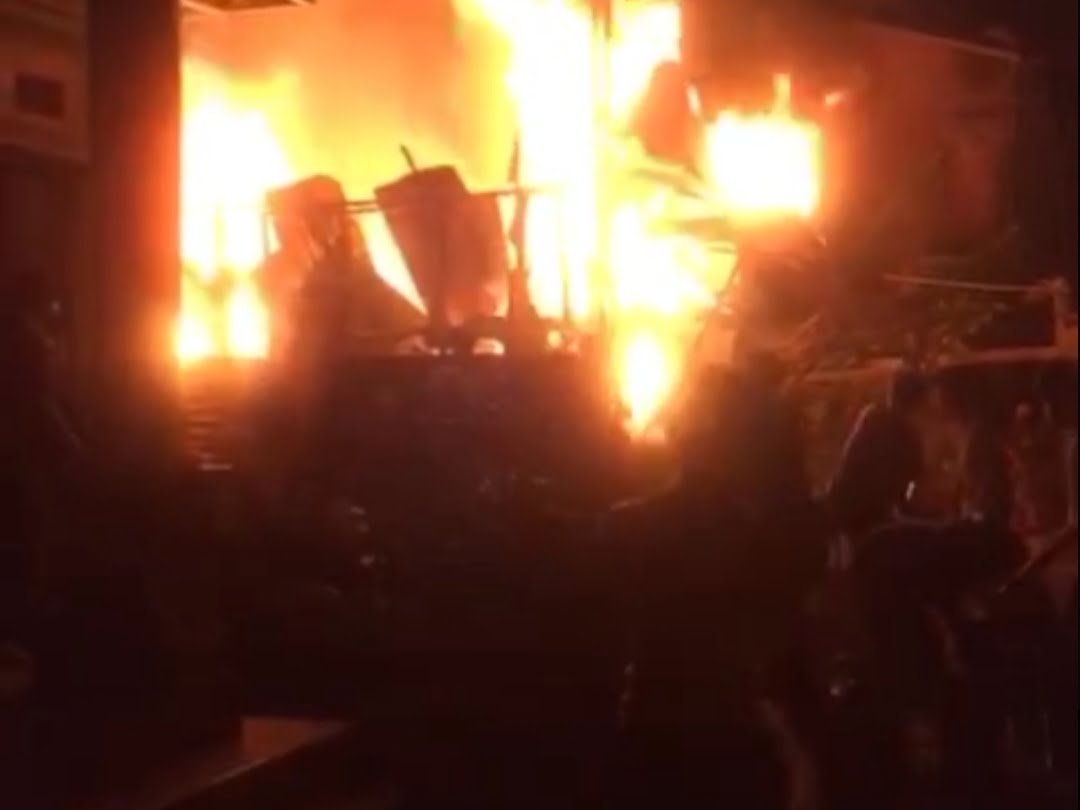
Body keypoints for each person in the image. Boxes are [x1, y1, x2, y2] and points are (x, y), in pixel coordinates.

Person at [828, 367, 938, 541]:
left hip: (841, 510)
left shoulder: (871, 417)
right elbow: (915, 491)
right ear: (918, 403)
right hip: (870, 519)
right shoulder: (904, 435)